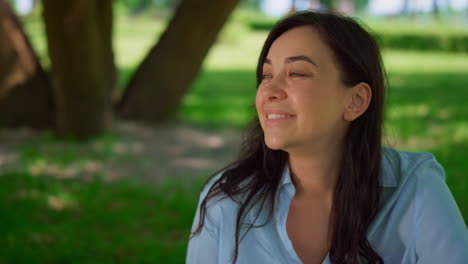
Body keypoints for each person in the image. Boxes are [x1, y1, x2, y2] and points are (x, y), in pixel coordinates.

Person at [186, 11, 468, 264]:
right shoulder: (226, 200)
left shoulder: (415, 188)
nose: (270, 90)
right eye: (266, 74)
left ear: (356, 100)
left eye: (297, 73)